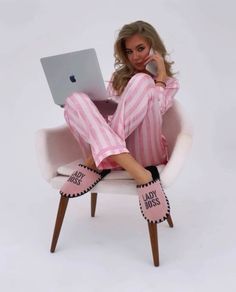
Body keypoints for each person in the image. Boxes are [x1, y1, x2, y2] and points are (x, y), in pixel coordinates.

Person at [60, 20, 179, 223]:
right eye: (130, 52)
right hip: (120, 150)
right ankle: (140, 175)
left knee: (142, 81)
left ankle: (96, 162)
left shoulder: (169, 83)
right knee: (73, 99)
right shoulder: (118, 78)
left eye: (140, 48)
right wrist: (93, 111)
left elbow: (157, 110)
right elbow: (113, 117)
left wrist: (158, 78)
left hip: (147, 152)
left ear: (154, 46)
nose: (136, 56)